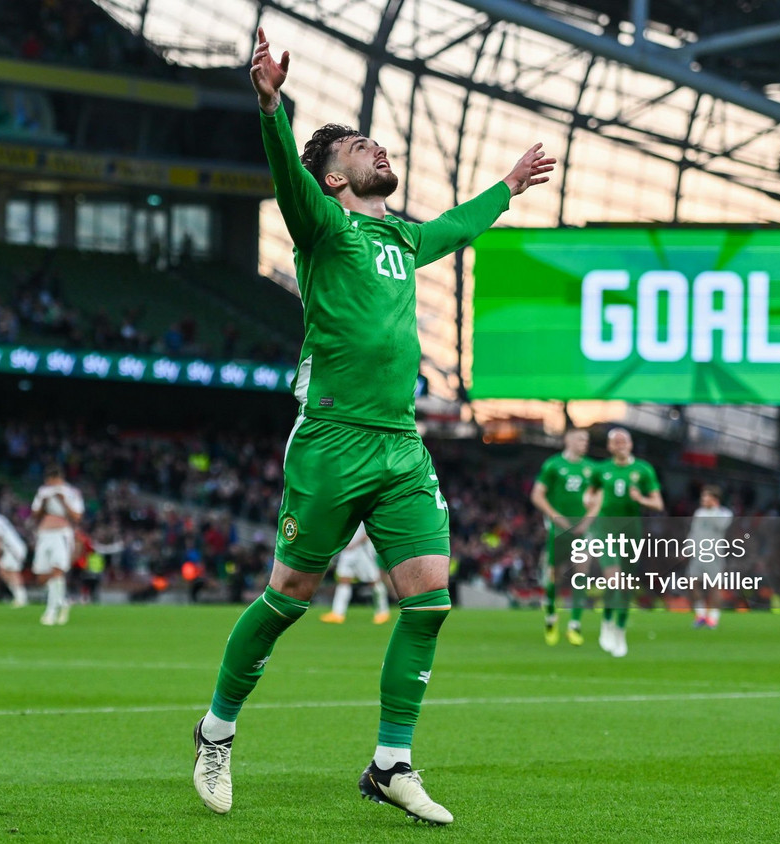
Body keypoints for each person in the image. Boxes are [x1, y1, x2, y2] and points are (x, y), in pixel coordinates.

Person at [192, 27, 554, 827]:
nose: (376, 147)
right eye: (360, 145)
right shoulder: (322, 226)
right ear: (333, 176)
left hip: (399, 443)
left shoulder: (399, 237)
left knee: (429, 603)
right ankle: (215, 731)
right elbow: (285, 170)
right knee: (288, 595)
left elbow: (457, 228)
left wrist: (506, 186)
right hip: (331, 440)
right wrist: (270, 105)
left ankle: (391, 762)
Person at [582, 428, 662, 657]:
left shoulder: (643, 470)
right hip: (606, 527)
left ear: (630, 444)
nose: (620, 444)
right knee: (613, 578)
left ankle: (620, 629)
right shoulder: (601, 470)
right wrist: (588, 500)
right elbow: (589, 494)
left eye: (624, 440)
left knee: (626, 584)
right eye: (615, 441)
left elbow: (658, 503)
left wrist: (641, 499)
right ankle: (607, 621)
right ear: (609, 447)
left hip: (631, 530)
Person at [529, 428, 594, 645]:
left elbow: (598, 500)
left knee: (581, 573)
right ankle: (550, 616)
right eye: (580, 438)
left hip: (583, 530)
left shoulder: (591, 468)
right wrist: (555, 517)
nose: (584, 442)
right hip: (559, 530)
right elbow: (537, 495)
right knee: (554, 575)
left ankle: (574, 625)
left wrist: (588, 520)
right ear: (568, 439)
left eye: (586, 439)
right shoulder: (554, 465)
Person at [31, 466, 84, 626]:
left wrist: (63, 501)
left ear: (58, 478)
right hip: (44, 534)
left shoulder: (71, 492)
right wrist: (44, 503)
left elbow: (77, 516)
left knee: (57, 570)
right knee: (41, 576)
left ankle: (50, 612)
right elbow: (35, 514)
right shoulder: (43, 492)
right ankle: (62, 602)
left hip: (61, 533)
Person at [321, 522, 391, 625]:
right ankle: (338, 613)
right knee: (343, 580)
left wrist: (356, 543)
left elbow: (370, 531)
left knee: (373, 581)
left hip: (362, 551)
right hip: (348, 551)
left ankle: (382, 612)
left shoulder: (365, 510)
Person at [687, 485, 735, 629]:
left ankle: (713, 617)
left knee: (714, 586)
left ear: (715, 499)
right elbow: (694, 532)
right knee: (692, 583)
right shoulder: (699, 513)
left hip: (714, 554)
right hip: (698, 554)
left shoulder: (724, 513)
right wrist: (688, 547)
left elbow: (721, 526)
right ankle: (700, 614)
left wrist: (713, 510)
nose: (703, 499)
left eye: (706, 497)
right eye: (702, 497)